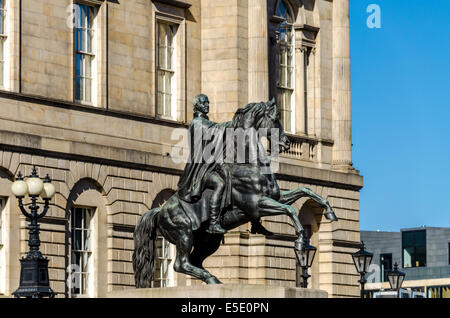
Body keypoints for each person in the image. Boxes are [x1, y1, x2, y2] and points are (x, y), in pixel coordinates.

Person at [178, 94, 273, 236]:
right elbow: (215, 130)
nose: (207, 105)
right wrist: (237, 123)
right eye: (204, 103)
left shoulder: (205, 121)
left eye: (208, 102)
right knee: (219, 184)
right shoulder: (197, 122)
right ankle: (213, 223)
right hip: (200, 170)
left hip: (210, 165)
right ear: (197, 105)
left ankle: (255, 221)